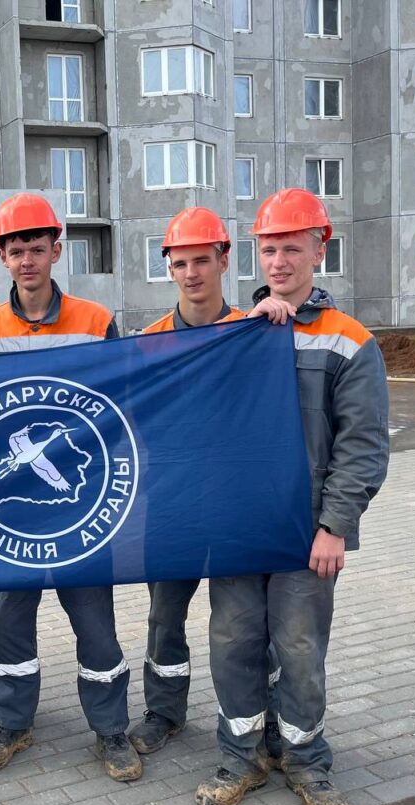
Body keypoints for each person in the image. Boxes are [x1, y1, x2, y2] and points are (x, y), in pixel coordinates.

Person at [196, 189, 390, 805]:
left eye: (291, 249)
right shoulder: (235, 332)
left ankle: (306, 761)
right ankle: (241, 758)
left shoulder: (349, 341)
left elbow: (362, 446)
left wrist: (335, 526)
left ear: (318, 251)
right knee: (232, 643)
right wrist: (249, 330)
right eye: (269, 250)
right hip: (238, 527)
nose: (278, 262)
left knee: (300, 649)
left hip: (306, 533)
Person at [0, 193, 142, 782]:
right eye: (16, 251)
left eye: (37, 249)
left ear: (56, 251)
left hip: (83, 510)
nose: (27, 260)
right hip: (16, 516)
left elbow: (120, 406)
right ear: (2, 257)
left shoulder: (95, 321)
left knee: (96, 625)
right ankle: (11, 724)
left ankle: (111, 730)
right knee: (11, 624)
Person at [127, 207, 294, 757]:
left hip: (235, 508)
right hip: (171, 507)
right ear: (168, 268)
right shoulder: (149, 342)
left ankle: (261, 716)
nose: (191, 273)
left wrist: (273, 317)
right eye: (180, 263)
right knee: (164, 618)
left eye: (202, 260)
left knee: (243, 624)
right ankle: (163, 712)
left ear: (224, 260)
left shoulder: (255, 330)